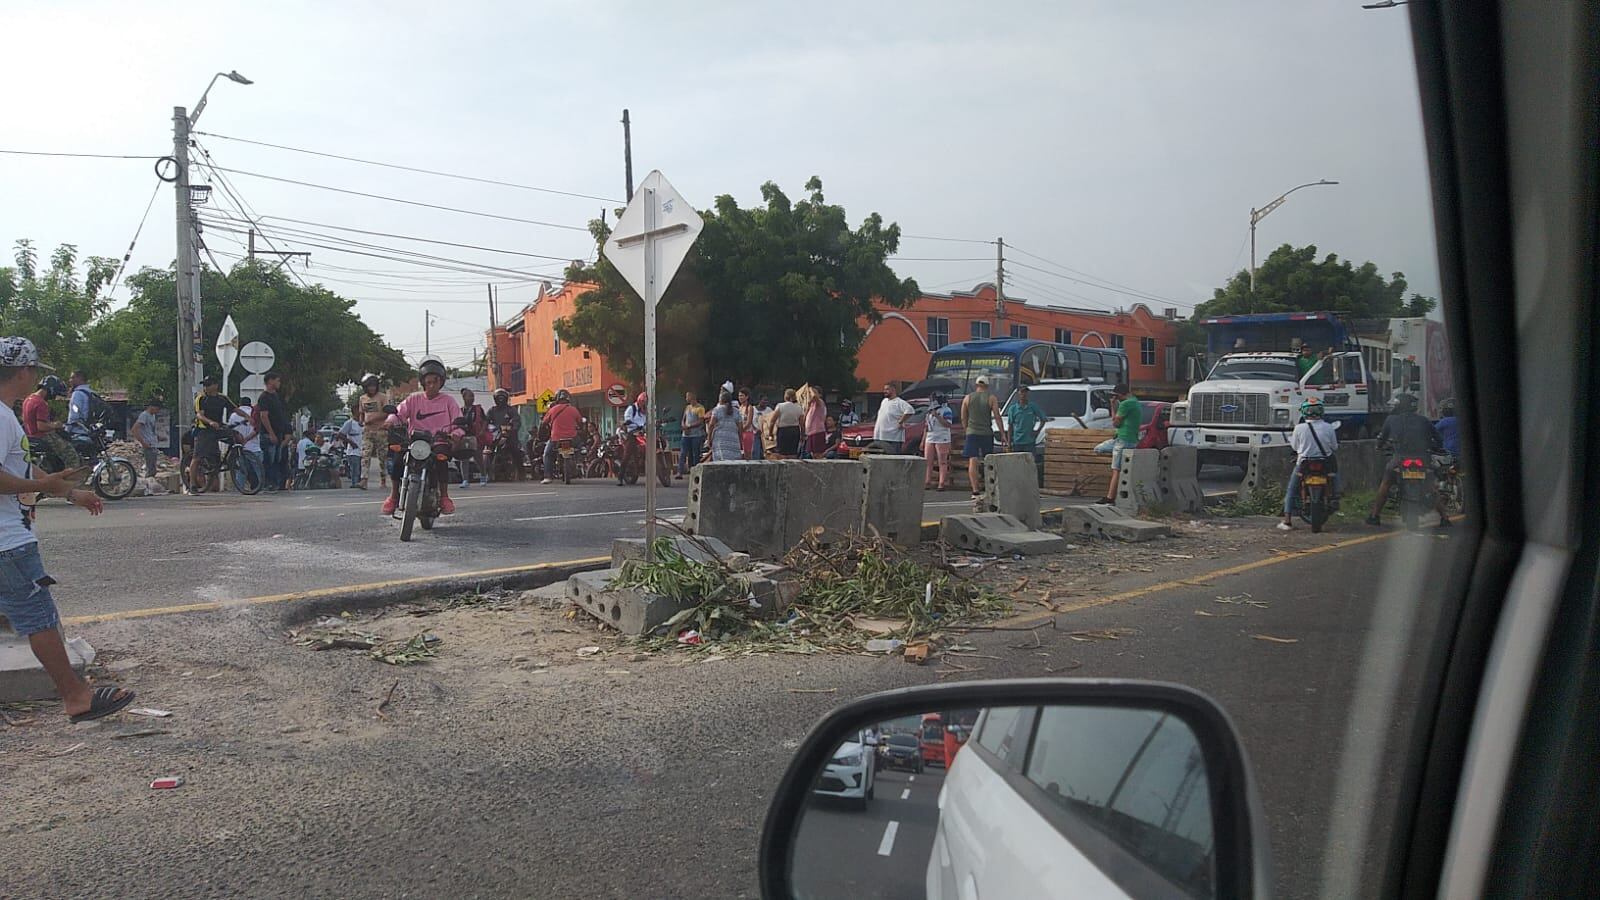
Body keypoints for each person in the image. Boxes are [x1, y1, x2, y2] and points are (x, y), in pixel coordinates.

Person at [0, 337, 132, 721]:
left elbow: (19, 469)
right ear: (24, 372)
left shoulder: (7, 415)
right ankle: (76, 696)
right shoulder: (1, 416)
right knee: (37, 616)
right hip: (8, 541)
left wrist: (69, 492)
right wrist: (43, 486)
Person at [384, 358, 463, 515]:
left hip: (438, 441)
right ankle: (393, 496)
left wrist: (456, 433)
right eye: (428, 382)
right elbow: (399, 414)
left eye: (435, 382)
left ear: (441, 382)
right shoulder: (414, 399)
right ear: (423, 382)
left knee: (442, 460)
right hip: (416, 441)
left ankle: (444, 497)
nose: (432, 385)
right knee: (399, 459)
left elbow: (458, 422)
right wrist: (389, 422)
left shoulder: (449, 401)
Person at [1367, 393, 1453, 528]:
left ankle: (1374, 516)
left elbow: (1381, 440)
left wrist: (1379, 446)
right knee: (1430, 487)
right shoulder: (1424, 420)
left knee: (1386, 483)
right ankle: (1445, 518)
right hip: (1423, 460)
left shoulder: (1391, 420)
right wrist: (1432, 448)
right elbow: (1438, 440)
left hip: (1399, 459)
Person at [1279, 398, 1340, 531]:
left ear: (1304, 413)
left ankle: (1287, 521)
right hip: (1325, 463)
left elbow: (1295, 447)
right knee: (1334, 475)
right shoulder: (1329, 427)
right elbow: (1334, 447)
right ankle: (1336, 495)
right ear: (1321, 411)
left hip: (1304, 463)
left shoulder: (1299, 428)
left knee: (1292, 489)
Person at [189, 375, 236, 494]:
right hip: (204, 429)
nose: (206, 387)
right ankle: (192, 485)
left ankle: (235, 457)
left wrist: (247, 417)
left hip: (218, 428)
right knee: (197, 457)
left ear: (215, 385)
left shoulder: (222, 398)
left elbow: (235, 409)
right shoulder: (201, 398)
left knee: (236, 435)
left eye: (208, 384)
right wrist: (210, 422)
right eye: (204, 385)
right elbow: (199, 415)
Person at [1098, 383, 1143, 505]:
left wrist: (1114, 407)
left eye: (1116, 396)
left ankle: (1110, 497)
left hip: (1123, 439)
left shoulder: (1125, 404)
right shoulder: (1135, 401)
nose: (1116, 398)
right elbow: (1116, 419)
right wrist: (1113, 405)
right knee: (1099, 449)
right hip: (1127, 439)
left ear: (1121, 394)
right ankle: (1118, 457)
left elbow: (1115, 423)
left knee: (1116, 469)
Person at [22, 375, 78, 470]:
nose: (54, 397)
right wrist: (55, 425)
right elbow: (40, 426)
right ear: (50, 389)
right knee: (70, 453)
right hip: (41, 436)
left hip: (29, 435)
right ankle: (71, 478)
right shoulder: (41, 403)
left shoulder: (28, 399)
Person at [960, 377, 1002, 497]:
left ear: (976, 384)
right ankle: (990, 488)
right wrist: (1002, 434)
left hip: (972, 432)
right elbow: (997, 416)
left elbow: (963, 417)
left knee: (973, 460)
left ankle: (975, 490)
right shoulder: (991, 398)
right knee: (988, 459)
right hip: (986, 433)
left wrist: (966, 429)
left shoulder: (967, 398)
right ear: (987, 386)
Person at [539, 389, 584, 484]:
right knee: (580, 446)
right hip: (572, 438)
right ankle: (580, 461)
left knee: (547, 454)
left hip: (556, 439)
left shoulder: (552, 410)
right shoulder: (573, 409)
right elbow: (580, 422)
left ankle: (548, 476)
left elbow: (543, 423)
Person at [255, 372, 291, 492]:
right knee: (269, 460)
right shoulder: (264, 397)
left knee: (277, 460)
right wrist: (271, 433)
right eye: (277, 380)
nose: (279, 383)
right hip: (268, 434)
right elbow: (264, 416)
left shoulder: (277, 396)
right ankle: (267, 483)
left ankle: (276, 483)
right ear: (270, 381)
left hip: (279, 433)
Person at [353, 374, 389, 490]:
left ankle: (383, 479)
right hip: (368, 431)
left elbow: (387, 412)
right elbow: (361, 413)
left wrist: (375, 418)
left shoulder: (382, 397)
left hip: (381, 431)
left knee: (382, 457)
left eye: (373, 386)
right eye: (369, 386)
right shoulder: (362, 399)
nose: (372, 388)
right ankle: (364, 480)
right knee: (365, 455)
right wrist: (361, 421)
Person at [486, 388, 524, 479]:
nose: (500, 400)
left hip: (509, 435)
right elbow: (486, 421)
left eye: (502, 398)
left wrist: (513, 428)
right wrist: (485, 429)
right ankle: (486, 472)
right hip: (496, 435)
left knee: (516, 450)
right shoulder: (492, 410)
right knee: (487, 451)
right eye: (498, 398)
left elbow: (516, 421)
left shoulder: (511, 410)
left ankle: (521, 471)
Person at [457, 388, 490, 487]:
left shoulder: (478, 409)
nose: (472, 398)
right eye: (469, 396)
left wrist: (482, 431)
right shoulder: (461, 410)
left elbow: (485, 421)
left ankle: (483, 476)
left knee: (478, 458)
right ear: (464, 398)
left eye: (473, 396)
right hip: (464, 437)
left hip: (475, 436)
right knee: (464, 458)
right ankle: (465, 480)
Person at [923, 392, 956, 490]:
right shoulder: (929, 411)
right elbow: (926, 426)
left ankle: (941, 483)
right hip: (930, 436)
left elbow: (948, 424)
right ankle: (927, 481)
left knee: (942, 461)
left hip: (942, 437)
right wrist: (923, 440)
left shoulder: (946, 410)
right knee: (928, 461)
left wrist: (937, 416)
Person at [1005, 385, 1048, 457]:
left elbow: (1043, 419)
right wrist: (1009, 443)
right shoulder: (1013, 409)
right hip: (1017, 442)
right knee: (1017, 462)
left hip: (1029, 441)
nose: (1024, 394)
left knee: (1029, 462)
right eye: (1022, 392)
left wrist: (1037, 431)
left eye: (1026, 392)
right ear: (1018, 393)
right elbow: (1010, 426)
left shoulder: (1032, 406)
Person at [617, 391, 649, 485]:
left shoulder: (648, 410)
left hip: (646, 432)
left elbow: (652, 419)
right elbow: (627, 419)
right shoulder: (631, 409)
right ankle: (620, 476)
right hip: (633, 433)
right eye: (644, 403)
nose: (645, 405)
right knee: (627, 453)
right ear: (640, 401)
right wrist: (632, 424)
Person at [874, 383, 915, 456]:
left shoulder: (899, 402)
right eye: (884, 389)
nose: (884, 391)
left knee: (893, 460)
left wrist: (901, 421)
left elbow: (910, 410)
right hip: (880, 436)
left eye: (887, 389)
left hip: (893, 438)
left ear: (893, 390)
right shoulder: (884, 401)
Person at [707, 388, 746, 462]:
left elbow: (711, 425)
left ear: (721, 400)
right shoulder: (737, 411)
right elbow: (740, 428)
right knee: (733, 463)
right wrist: (740, 440)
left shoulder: (717, 410)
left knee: (720, 462)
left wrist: (709, 439)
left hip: (720, 441)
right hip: (733, 440)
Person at [131, 398, 162, 478]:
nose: (157, 411)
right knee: (150, 469)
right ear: (152, 407)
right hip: (147, 445)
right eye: (157, 409)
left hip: (153, 444)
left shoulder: (153, 416)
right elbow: (134, 429)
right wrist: (143, 442)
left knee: (153, 469)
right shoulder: (144, 415)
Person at [678, 391, 706, 477]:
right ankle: (680, 472)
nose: (686, 398)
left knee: (695, 453)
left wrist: (689, 426)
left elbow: (701, 421)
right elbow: (683, 419)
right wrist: (683, 425)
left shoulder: (700, 408)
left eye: (687, 396)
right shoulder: (687, 408)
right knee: (683, 453)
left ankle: (695, 472)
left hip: (696, 435)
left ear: (692, 397)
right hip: (686, 434)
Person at [799, 384, 827, 459]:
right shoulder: (810, 405)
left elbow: (815, 396)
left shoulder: (820, 402)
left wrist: (811, 389)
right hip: (810, 432)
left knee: (818, 454)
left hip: (817, 431)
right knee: (812, 454)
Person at [337, 415, 365, 487]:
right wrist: (351, 442)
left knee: (361, 469)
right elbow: (340, 434)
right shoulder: (350, 423)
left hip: (363, 450)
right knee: (355, 469)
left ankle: (360, 483)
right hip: (353, 451)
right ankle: (354, 483)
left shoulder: (364, 422)